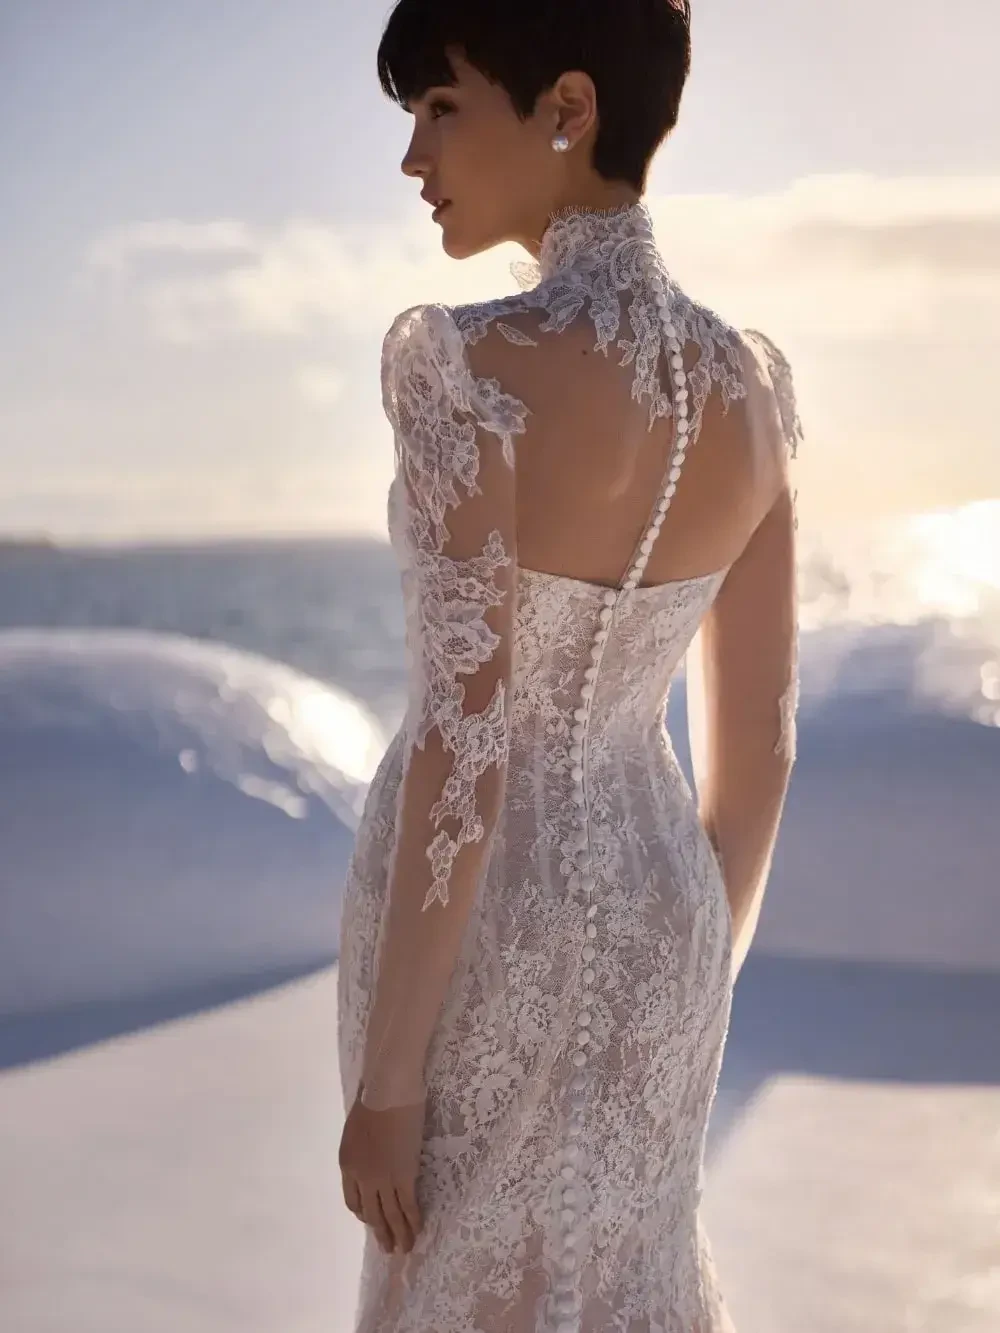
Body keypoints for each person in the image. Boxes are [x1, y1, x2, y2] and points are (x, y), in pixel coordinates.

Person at [336, 2, 802, 1328]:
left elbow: (468, 749)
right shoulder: (754, 389)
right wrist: (697, 966)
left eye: (439, 107)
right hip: (669, 917)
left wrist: (387, 1088)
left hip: (477, 946)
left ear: (568, 107)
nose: (413, 159)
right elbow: (760, 738)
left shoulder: (465, 371)